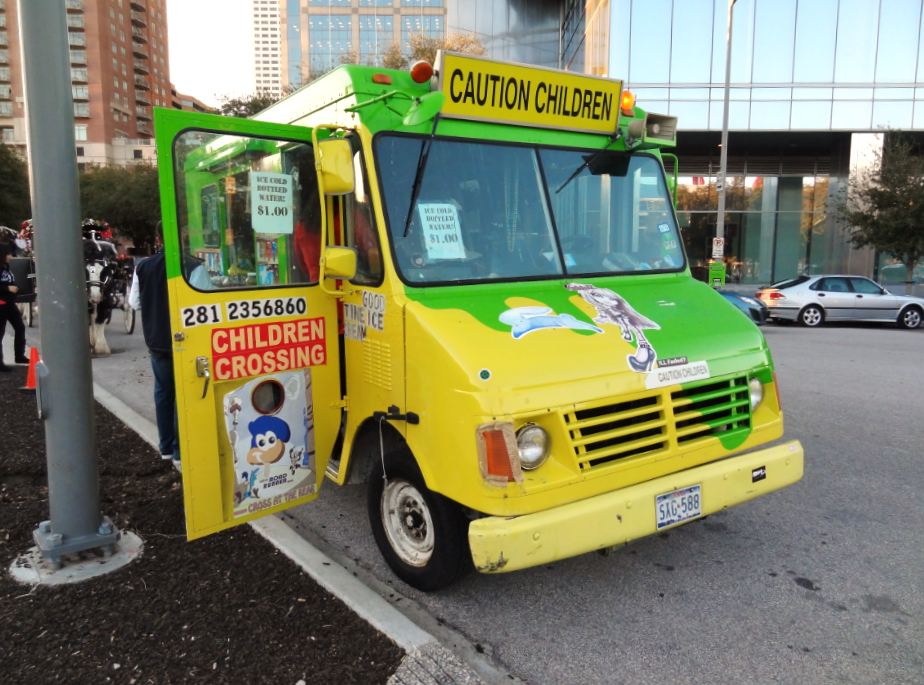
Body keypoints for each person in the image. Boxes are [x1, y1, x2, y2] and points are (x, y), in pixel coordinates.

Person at [0, 243, 28, 372]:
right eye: (9, 254)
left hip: (9, 304)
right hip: (1, 304)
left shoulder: (6, 267)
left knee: (20, 327)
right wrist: (7, 288)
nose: (11, 257)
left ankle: (20, 355)